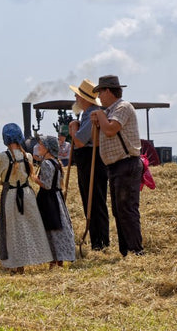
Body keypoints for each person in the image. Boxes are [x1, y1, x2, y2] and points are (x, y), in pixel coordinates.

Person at [90, 75, 144, 257]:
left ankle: (135, 250)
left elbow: (111, 129)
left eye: (100, 92)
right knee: (119, 210)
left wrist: (100, 116)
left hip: (126, 163)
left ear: (107, 91)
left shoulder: (123, 107)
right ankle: (126, 251)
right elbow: (100, 134)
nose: (99, 97)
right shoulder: (109, 111)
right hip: (114, 166)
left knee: (127, 208)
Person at [0, 123, 53, 274]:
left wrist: (3, 183)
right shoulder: (28, 156)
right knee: (30, 227)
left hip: (11, 194)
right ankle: (33, 258)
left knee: (12, 229)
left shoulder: (1, 157)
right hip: (27, 194)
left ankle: (15, 264)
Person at [68, 79, 110, 251]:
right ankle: (99, 240)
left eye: (77, 96)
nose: (75, 98)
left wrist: (72, 128)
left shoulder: (92, 113)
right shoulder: (87, 114)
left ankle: (99, 242)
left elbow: (79, 141)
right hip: (88, 159)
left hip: (91, 160)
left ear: (84, 98)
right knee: (92, 200)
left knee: (93, 200)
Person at [33, 135, 76, 267]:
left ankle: (53, 261)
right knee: (57, 227)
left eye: (41, 145)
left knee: (50, 228)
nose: (38, 147)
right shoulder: (57, 163)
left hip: (48, 199)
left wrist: (33, 177)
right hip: (56, 198)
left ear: (48, 148)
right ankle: (59, 261)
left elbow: (46, 184)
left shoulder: (46, 163)